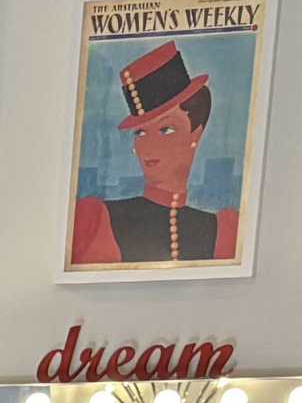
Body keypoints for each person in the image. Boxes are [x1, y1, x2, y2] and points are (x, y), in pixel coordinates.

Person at [69, 41, 228, 266]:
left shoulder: (223, 230)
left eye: (166, 129)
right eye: (141, 133)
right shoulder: (98, 220)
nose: (149, 146)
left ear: (196, 132)